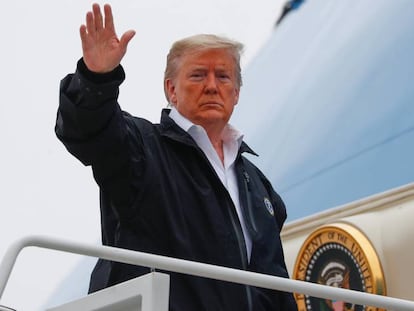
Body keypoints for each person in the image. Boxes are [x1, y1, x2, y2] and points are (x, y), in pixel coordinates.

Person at [55, 3, 298, 311]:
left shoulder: (259, 187)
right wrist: (95, 80)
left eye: (223, 77)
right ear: (171, 89)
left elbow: (274, 282)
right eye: (198, 75)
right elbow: (88, 132)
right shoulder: (141, 149)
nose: (212, 86)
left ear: (236, 93)